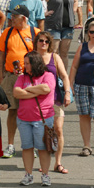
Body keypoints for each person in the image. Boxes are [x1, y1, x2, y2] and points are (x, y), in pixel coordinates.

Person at [0, 5, 40, 158]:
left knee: (31, 112)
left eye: (15, 16)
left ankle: (31, 146)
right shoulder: (7, 33)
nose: (12, 18)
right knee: (12, 111)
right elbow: (1, 56)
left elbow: (42, 56)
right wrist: (1, 77)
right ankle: (10, 145)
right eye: (12, 16)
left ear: (24, 18)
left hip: (30, 78)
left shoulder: (35, 33)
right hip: (11, 77)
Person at [13, 51, 56, 187]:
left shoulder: (48, 75)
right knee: (27, 147)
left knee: (42, 148)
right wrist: (34, 92)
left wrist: (28, 90)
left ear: (35, 63)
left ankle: (45, 175)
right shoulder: (22, 77)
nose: (24, 66)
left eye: (27, 63)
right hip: (24, 118)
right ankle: (28, 174)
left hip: (42, 119)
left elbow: (46, 88)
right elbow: (16, 93)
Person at [69, 20, 94, 157]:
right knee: (84, 116)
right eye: (91, 32)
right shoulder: (82, 46)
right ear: (88, 33)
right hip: (81, 84)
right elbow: (74, 66)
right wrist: (70, 84)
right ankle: (86, 146)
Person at [34, 32, 71, 174]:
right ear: (36, 42)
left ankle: (58, 162)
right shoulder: (32, 57)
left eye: (47, 41)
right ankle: (45, 163)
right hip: (37, 100)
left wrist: (67, 93)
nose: (43, 43)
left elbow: (64, 76)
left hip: (55, 99)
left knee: (58, 129)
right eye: (41, 41)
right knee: (42, 132)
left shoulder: (54, 57)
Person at [37, 0, 78, 69]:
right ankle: (53, 73)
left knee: (64, 53)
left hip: (68, 25)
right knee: (53, 51)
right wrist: (43, 13)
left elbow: (75, 0)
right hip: (53, 25)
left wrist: (74, 10)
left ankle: (63, 76)